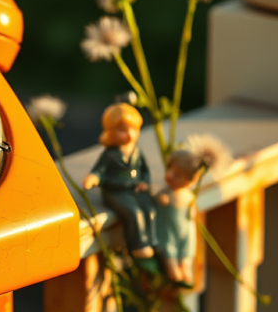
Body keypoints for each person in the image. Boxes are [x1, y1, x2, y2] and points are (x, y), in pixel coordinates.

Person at [83, 104, 158, 266]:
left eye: (134, 129)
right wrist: (94, 178)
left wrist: (145, 182)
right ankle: (138, 246)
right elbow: (99, 170)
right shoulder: (110, 154)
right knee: (134, 213)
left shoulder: (137, 152)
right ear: (110, 131)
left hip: (135, 189)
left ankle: (152, 241)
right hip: (115, 191)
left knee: (150, 210)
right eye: (123, 130)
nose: (130, 135)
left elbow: (144, 171)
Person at [154, 150, 203, 287]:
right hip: (168, 229)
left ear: (190, 181)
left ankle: (185, 266)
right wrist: (160, 199)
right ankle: (171, 265)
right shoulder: (166, 193)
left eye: (177, 175)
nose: (169, 176)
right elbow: (157, 198)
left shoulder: (188, 195)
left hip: (185, 229)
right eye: (169, 169)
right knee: (169, 245)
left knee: (187, 246)